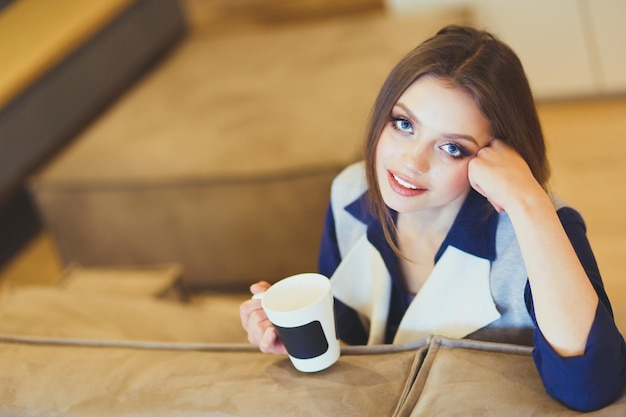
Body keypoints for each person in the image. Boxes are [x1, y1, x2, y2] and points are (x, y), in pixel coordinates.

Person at [240, 25, 626, 411]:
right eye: (404, 124)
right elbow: (349, 334)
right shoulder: (349, 195)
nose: (412, 162)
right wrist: (303, 339)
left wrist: (529, 200)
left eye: (452, 148)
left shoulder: (540, 228)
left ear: (498, 156)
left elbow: (589, 387)